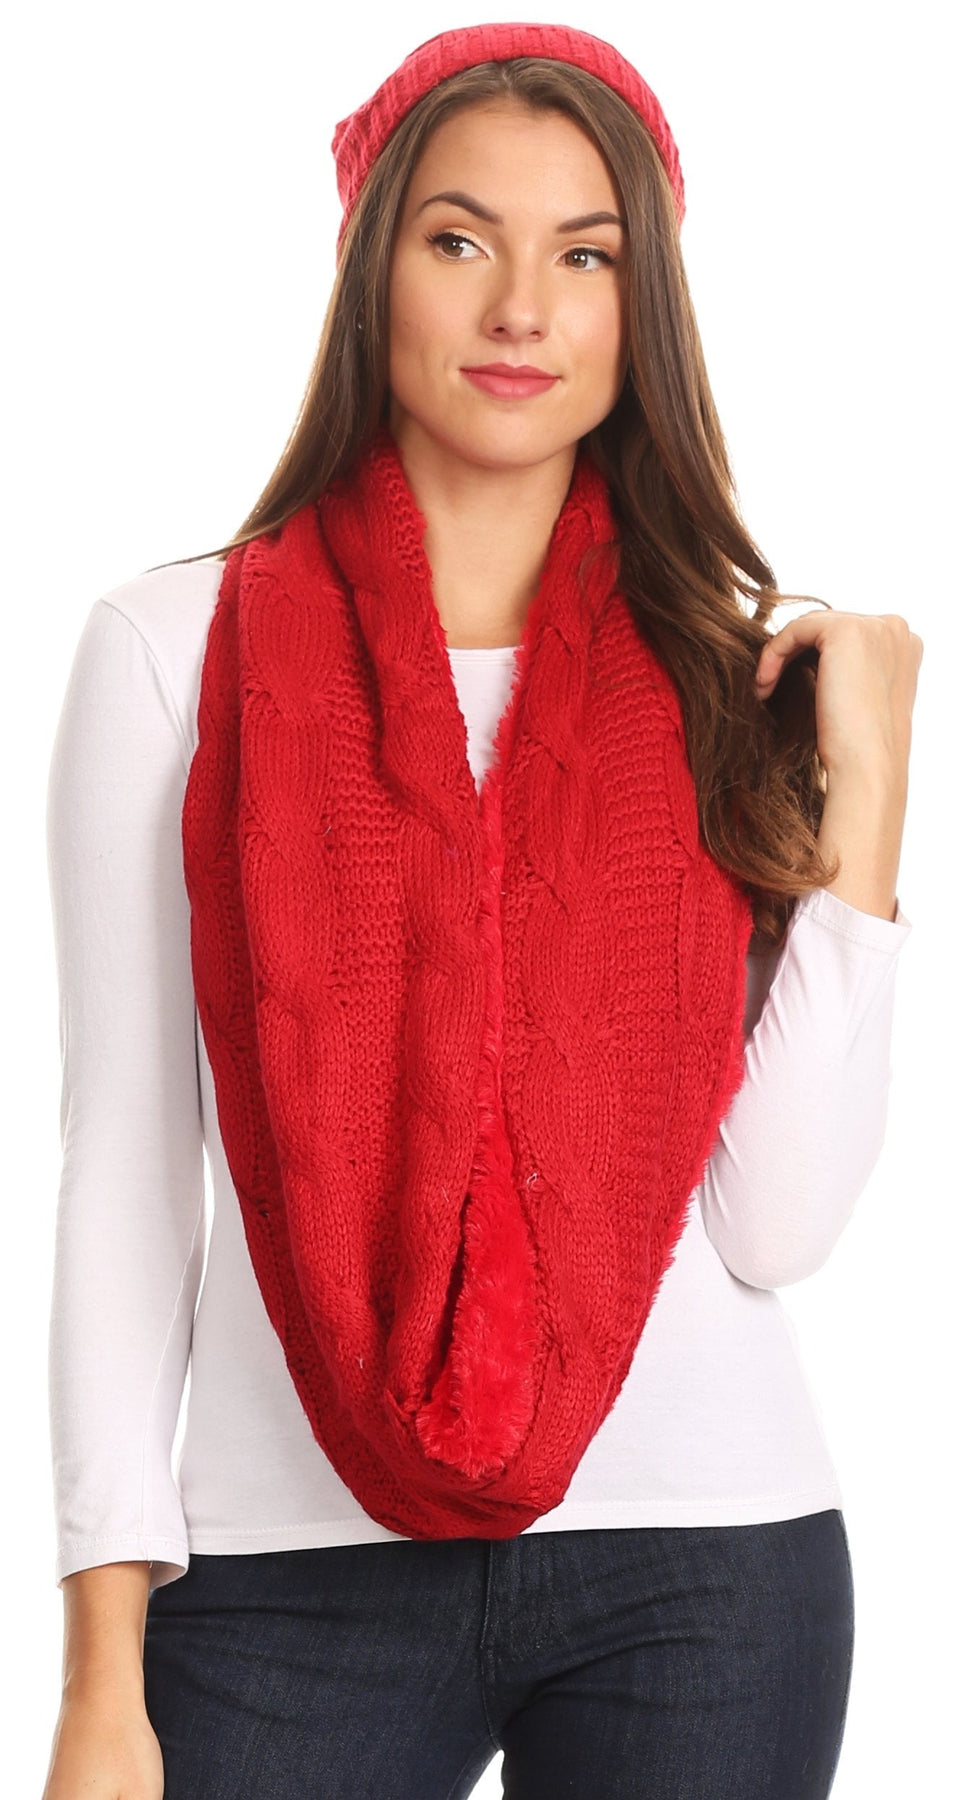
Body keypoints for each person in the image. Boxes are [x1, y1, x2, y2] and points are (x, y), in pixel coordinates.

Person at [41, 22, 922, 1800]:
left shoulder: (725, 672)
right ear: (372, 265)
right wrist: (98, 1675)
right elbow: (127, 1169)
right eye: (460, 240)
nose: (521, 308)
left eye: (584, 256)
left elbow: (773, 1228)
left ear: (638, 305)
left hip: (708, 1562)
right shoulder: (173, 650)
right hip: (285, 1575)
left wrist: (872, 797)